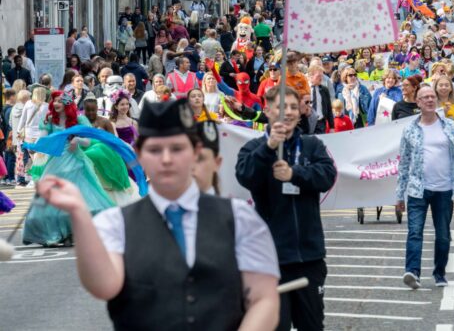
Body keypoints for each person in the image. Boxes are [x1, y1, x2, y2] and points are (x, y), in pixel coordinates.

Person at [37, 98, 280, 329]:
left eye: (177, 148)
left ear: (195, 153)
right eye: (155, 150)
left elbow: (264, 299)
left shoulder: (239, 219)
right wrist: (79, 215)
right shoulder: (116, 223)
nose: (166, 159)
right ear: (140, 155)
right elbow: (104, 286)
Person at [236, 87, 338, 331]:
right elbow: (245, 176)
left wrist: (295, 173)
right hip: (270, 259)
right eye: (282, 107)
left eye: (293, 107)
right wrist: (269, 147)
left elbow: (327, 176)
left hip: (308, 256)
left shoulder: (312, 145)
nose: (289, 112)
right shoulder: (252, 148)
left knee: (311, 325)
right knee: (274, 325)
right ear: (268, 110)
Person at [395, 84, 454, 290]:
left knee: (443, 234)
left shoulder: (449, 126)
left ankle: (439, 273)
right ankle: (412, 272)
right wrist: (399, 195)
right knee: (415, 232)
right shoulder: (410, 129)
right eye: (424, 97)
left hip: (444, 189)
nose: (429, 100)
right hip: (417, 189)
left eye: (432, 96)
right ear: (418, 103)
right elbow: (404, 163)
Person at [22, 91, 115, 246]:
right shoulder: (50, 119)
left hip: (75, 163)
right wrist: (34, 146)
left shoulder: (79, 119)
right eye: (54, 101)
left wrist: (77, 139)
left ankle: (72, 233)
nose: (56, 104)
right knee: (48, 203)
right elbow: (44, 139)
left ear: (67, 103)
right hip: (55, 163)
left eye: (59, 101)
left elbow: (88, 141)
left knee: (83, 200)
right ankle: (53, 234)